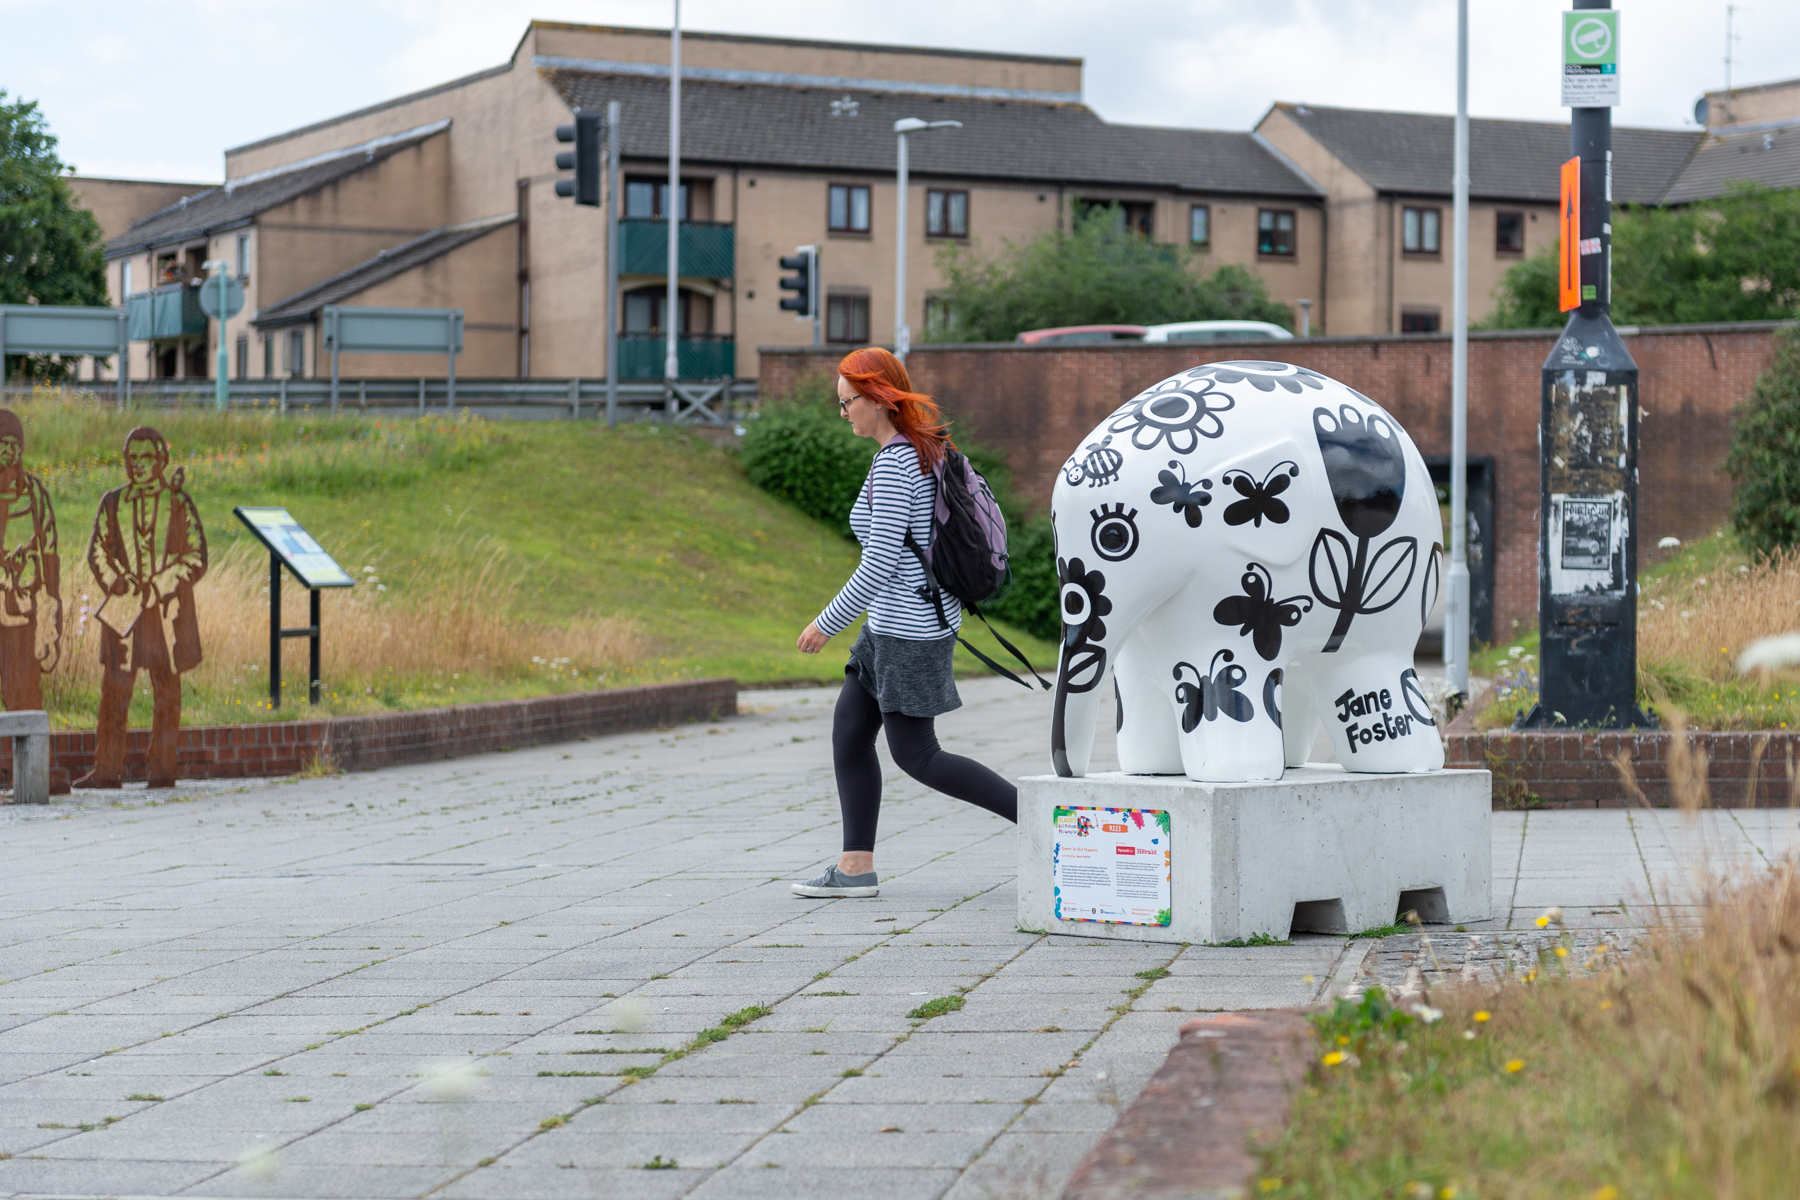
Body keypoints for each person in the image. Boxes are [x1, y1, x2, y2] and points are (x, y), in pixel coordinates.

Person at [793, 348, 1018, 898]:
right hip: (894, 626)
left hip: (907, 629)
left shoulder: (898, 462)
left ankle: (1046, 822)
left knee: (918, 757)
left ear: (876, 398)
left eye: (847, 402)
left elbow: (881, 562)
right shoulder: (930, 452)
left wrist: (827, 623)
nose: (843, 412)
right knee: (850, 734)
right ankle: (855, 868)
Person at [76, 427, 208, 790]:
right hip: (123, 613)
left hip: (166, 614)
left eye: (146, 457)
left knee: (167, 691)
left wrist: (161, 586)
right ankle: (106, 770)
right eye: (132, 458)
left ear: (162, 460)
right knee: (114, 690)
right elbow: (98, 551)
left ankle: (163, 770)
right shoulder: (112, 502)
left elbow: (196, 556)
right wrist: (118, 581)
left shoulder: (178, 502)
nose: (138, 465)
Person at [0, 409, 61, 711]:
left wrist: (51, 621)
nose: (7, 451)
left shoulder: (34, 493)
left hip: (22, 613)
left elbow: (49, 556)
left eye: (14, 443)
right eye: (1, 443)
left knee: (23, 697)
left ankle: (27, 760)